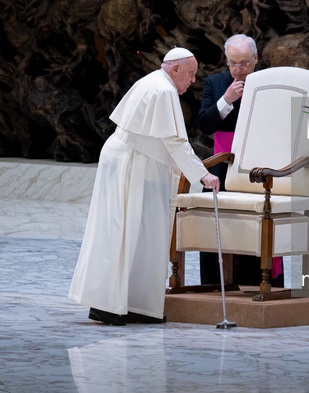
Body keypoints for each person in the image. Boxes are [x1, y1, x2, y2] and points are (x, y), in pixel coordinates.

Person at [68, 48, 219, 326]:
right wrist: (203, 175)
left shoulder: (154, 82)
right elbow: (175, 142)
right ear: (175, 69)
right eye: (190, 74)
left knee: (143, 235)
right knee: (123, 231)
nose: (193, 80)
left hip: (138, 162)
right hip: (131, 164)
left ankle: (137, 304)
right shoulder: (163, 91)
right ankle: (109, 305)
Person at [197, 34, 284, 287]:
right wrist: (226, 101)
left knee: (256, 225)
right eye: (233, 63)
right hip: (223, 167)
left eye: (244, 62)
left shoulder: (271, 82)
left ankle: (259, 283)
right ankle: (215, 286)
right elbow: (204, 124)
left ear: (255, 58)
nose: (239, 69)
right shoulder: (215, 83)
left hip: (259, 168)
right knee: (218, 228)